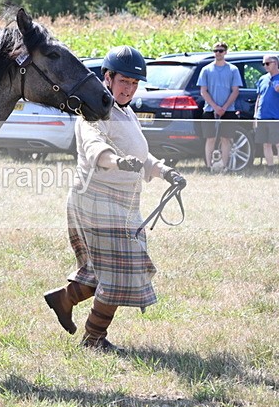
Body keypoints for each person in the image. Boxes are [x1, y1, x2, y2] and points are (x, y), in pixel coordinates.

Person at [43, 46, 186, 352]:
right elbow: (96, 150)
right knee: (120, 274)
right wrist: (118, 161)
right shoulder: (92, 114)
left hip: (122, 205)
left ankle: (63, 299)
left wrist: (165, 171)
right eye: (124, 82)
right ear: (107, 77)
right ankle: (93, 340)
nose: (129, 89)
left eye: (134, 84)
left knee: (105, 273)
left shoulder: (127, 112)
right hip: (95, 203)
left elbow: (140, 155)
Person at [198, 42, 242, 170]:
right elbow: (203, 91)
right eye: (215, 50)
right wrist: (215, 107)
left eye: (221, 50)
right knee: (210, 138)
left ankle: (224, 165)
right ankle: (208, 166)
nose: (218, 53)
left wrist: (224, 107)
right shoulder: (206, 70)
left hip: (229, 110)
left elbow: (235, 90)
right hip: (209, 109)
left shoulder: (233, 70)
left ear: (225, 52)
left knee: (226, 139)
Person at [254, 54, 279, 170]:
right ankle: (270, 167)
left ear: (276, 63)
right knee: (266, 143)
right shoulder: (262, 79)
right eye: (264, 64)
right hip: (262, 116)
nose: (265, 66)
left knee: (277, 143)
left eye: (268, 63)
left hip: (276, 116)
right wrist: (256, 116)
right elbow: (259, 97)